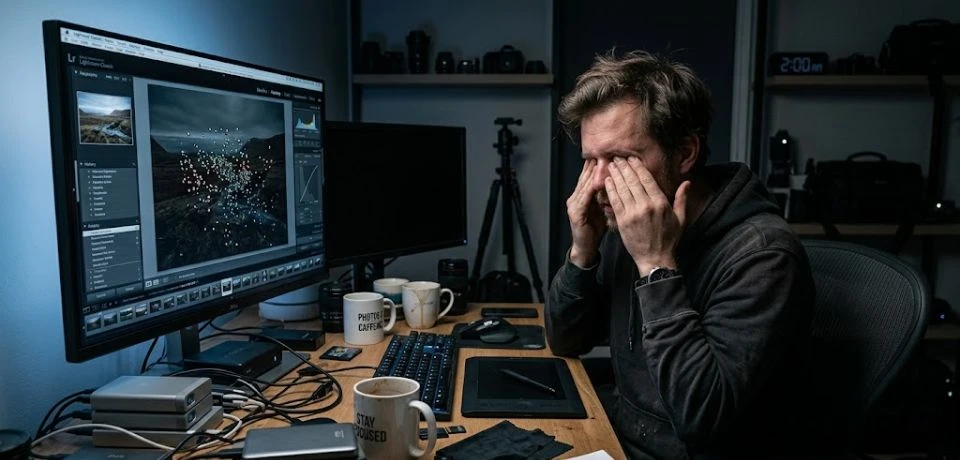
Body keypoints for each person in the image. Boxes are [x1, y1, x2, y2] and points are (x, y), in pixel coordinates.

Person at [546, 49, 815, 459]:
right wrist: (583, 251)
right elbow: (566, 340)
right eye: (590, 161)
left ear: (686, 153)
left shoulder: (764, 257)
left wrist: (655, 267)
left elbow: (701, 421)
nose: (599, 182)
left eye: (620, 158)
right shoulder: (626, 222)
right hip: (618, 440)